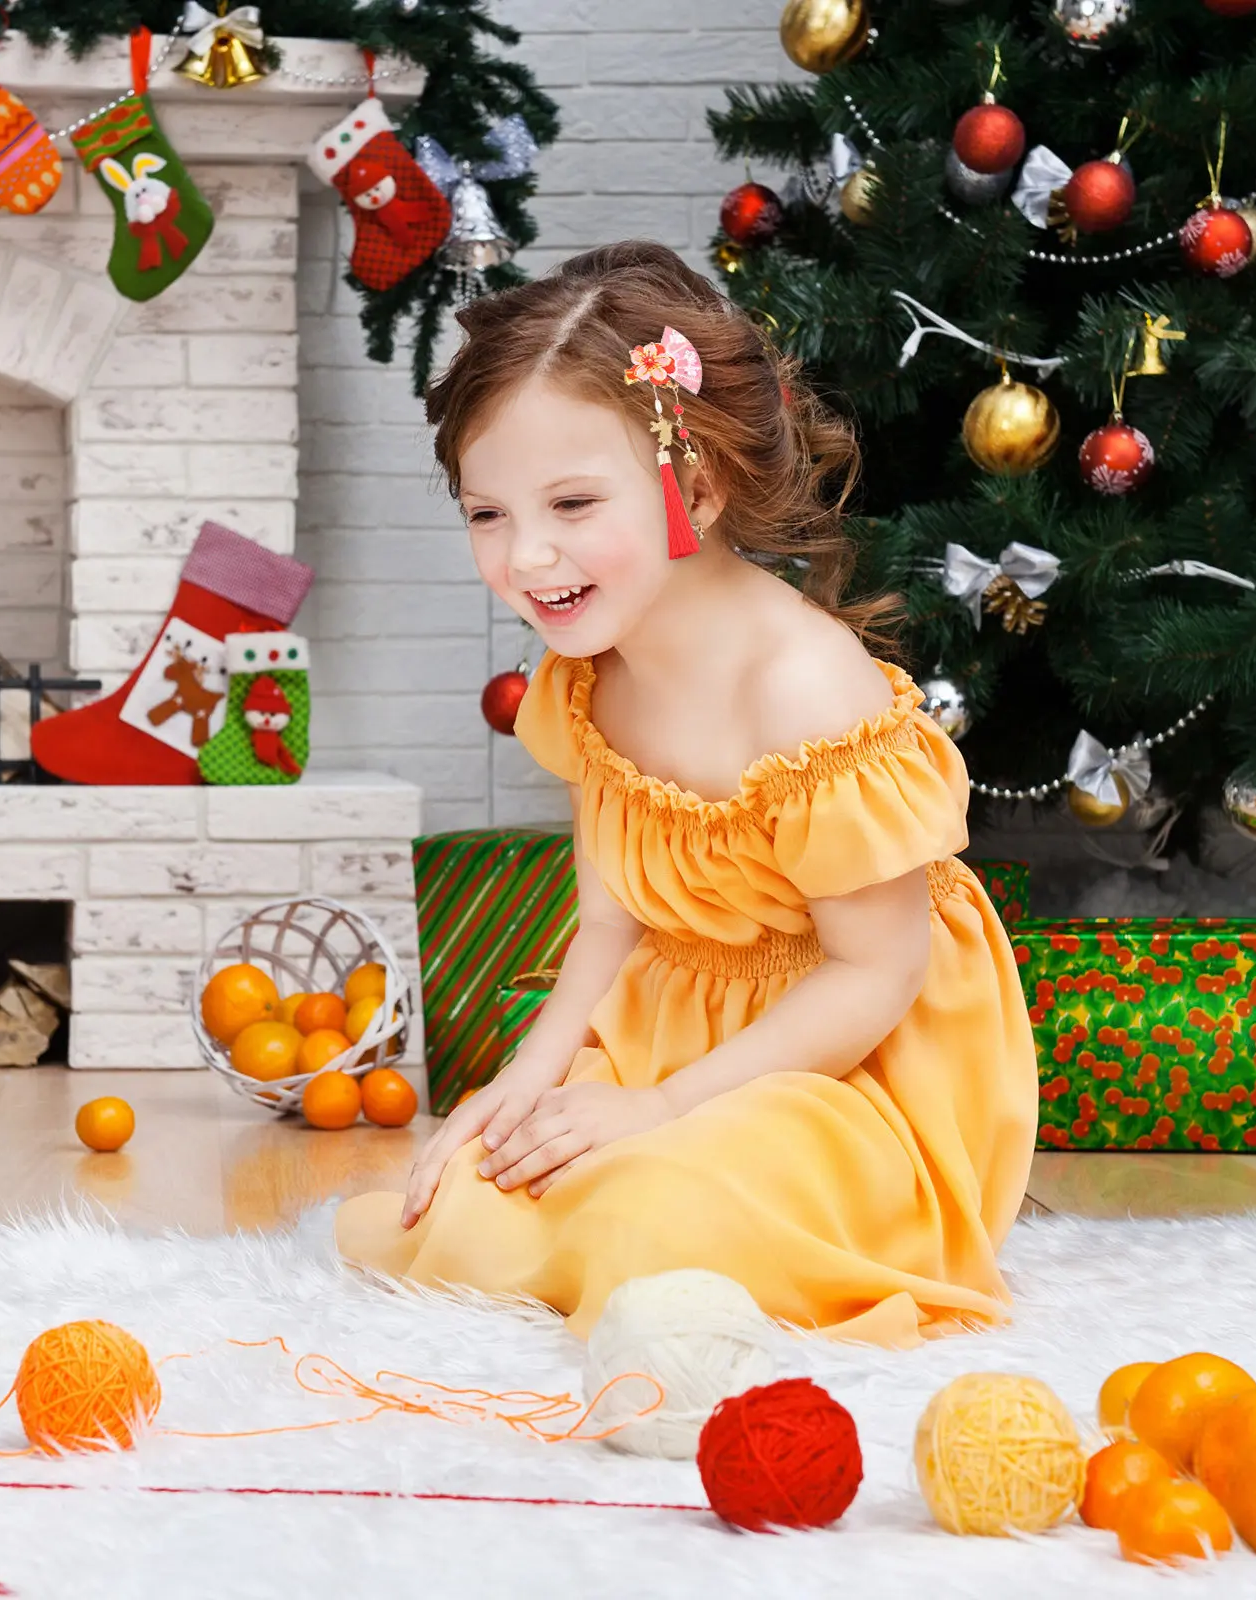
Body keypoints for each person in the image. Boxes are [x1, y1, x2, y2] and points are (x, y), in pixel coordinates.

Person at [335, 241, 1038, 1345]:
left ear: (695, 485)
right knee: (477, 1193)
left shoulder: (801, 687)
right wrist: (523, 1080)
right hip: (676, 1022)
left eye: (572, 502)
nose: (527, 557)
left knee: (657, 1210)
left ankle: (737, 1211)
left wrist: (660, 1109)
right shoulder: (589, 673)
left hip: (846, 1059)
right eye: (486, 513)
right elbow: (613, 918)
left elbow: (879, 969)